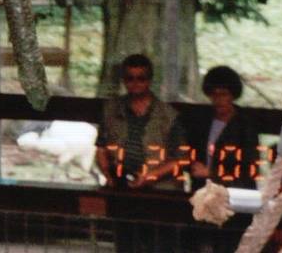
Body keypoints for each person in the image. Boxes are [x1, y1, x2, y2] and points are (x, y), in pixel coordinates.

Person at [96, 53, 188, 189]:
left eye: (141, 78)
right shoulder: (111, 109)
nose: (135, 83)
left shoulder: (169, 115)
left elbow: (180, 159)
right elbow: (101, 148)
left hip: (159, 188)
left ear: (149, 80)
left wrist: (149, 177)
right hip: (119, 183)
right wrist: (107, 175)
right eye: (129, 78)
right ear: (123, 80)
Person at [186, 65, 260, 190]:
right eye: (214, 95)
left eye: (224, 94)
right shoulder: (202, 121)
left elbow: (248, 171)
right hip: (202, 192)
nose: (219, 100)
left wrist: (211, 174)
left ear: (233, 95)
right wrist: (192, 165)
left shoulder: (245, 125)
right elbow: (188, 153)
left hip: (234, 194)